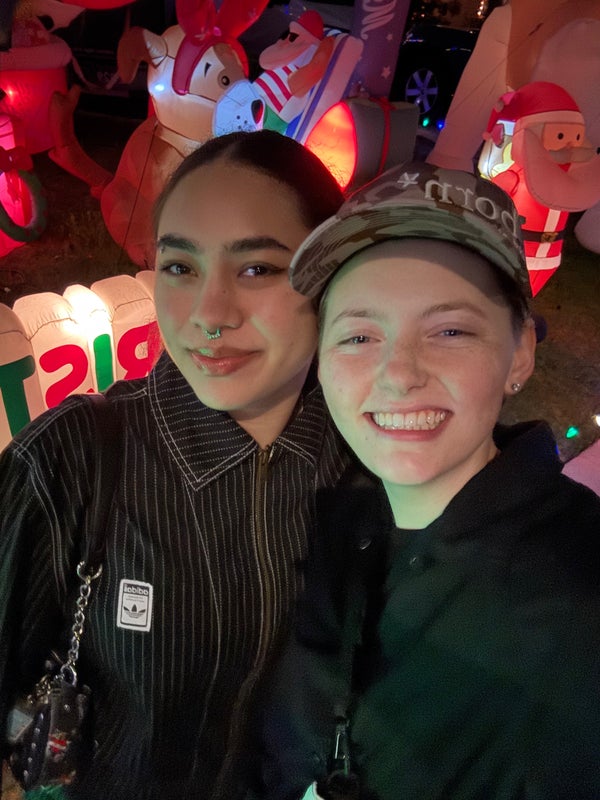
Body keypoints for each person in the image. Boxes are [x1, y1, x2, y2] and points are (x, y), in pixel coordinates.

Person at [0, 130, 355, 800]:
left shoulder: (370, 457)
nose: (209, 315)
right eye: (180, 267)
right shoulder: (71, 457)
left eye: (257, 269)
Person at [256, 161, 600, 800]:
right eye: (359, 335)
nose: (399, 373)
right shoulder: (328, 531)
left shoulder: (578, 593)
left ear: (521, 351)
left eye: (449, 330)